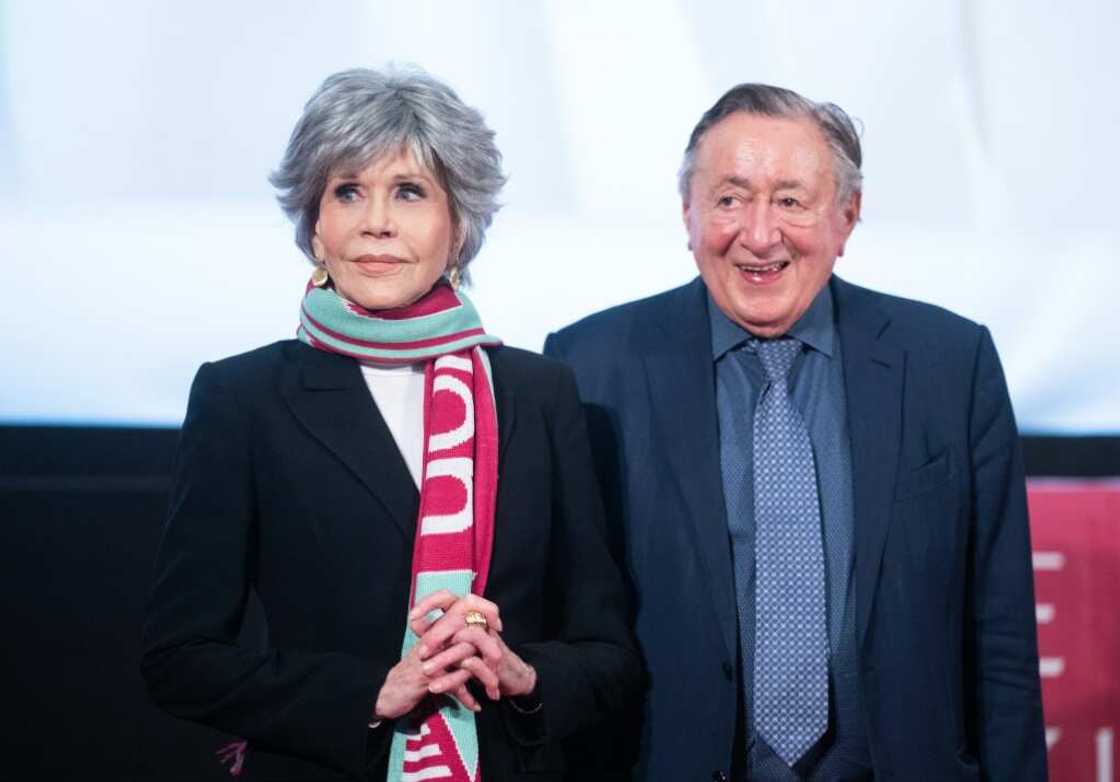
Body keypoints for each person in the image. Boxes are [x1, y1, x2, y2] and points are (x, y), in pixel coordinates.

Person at [141, 67, 640, 782]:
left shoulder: (538, 393)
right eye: (348, 192)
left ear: (458, 225)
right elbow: (179, 660)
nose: (376, 221)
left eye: (408, 192)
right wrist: (371, 692)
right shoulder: (242, 397)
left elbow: (608, 656)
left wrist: (520, 673)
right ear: (316, 226)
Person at [544, 84, 1046, 781]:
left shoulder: (949, 365)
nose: (758, 234)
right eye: (728, 199)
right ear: (686, 213)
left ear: (847, 216)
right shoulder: (589, 367)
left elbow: (1002, 644)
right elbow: (565, 635)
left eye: (790, 200)